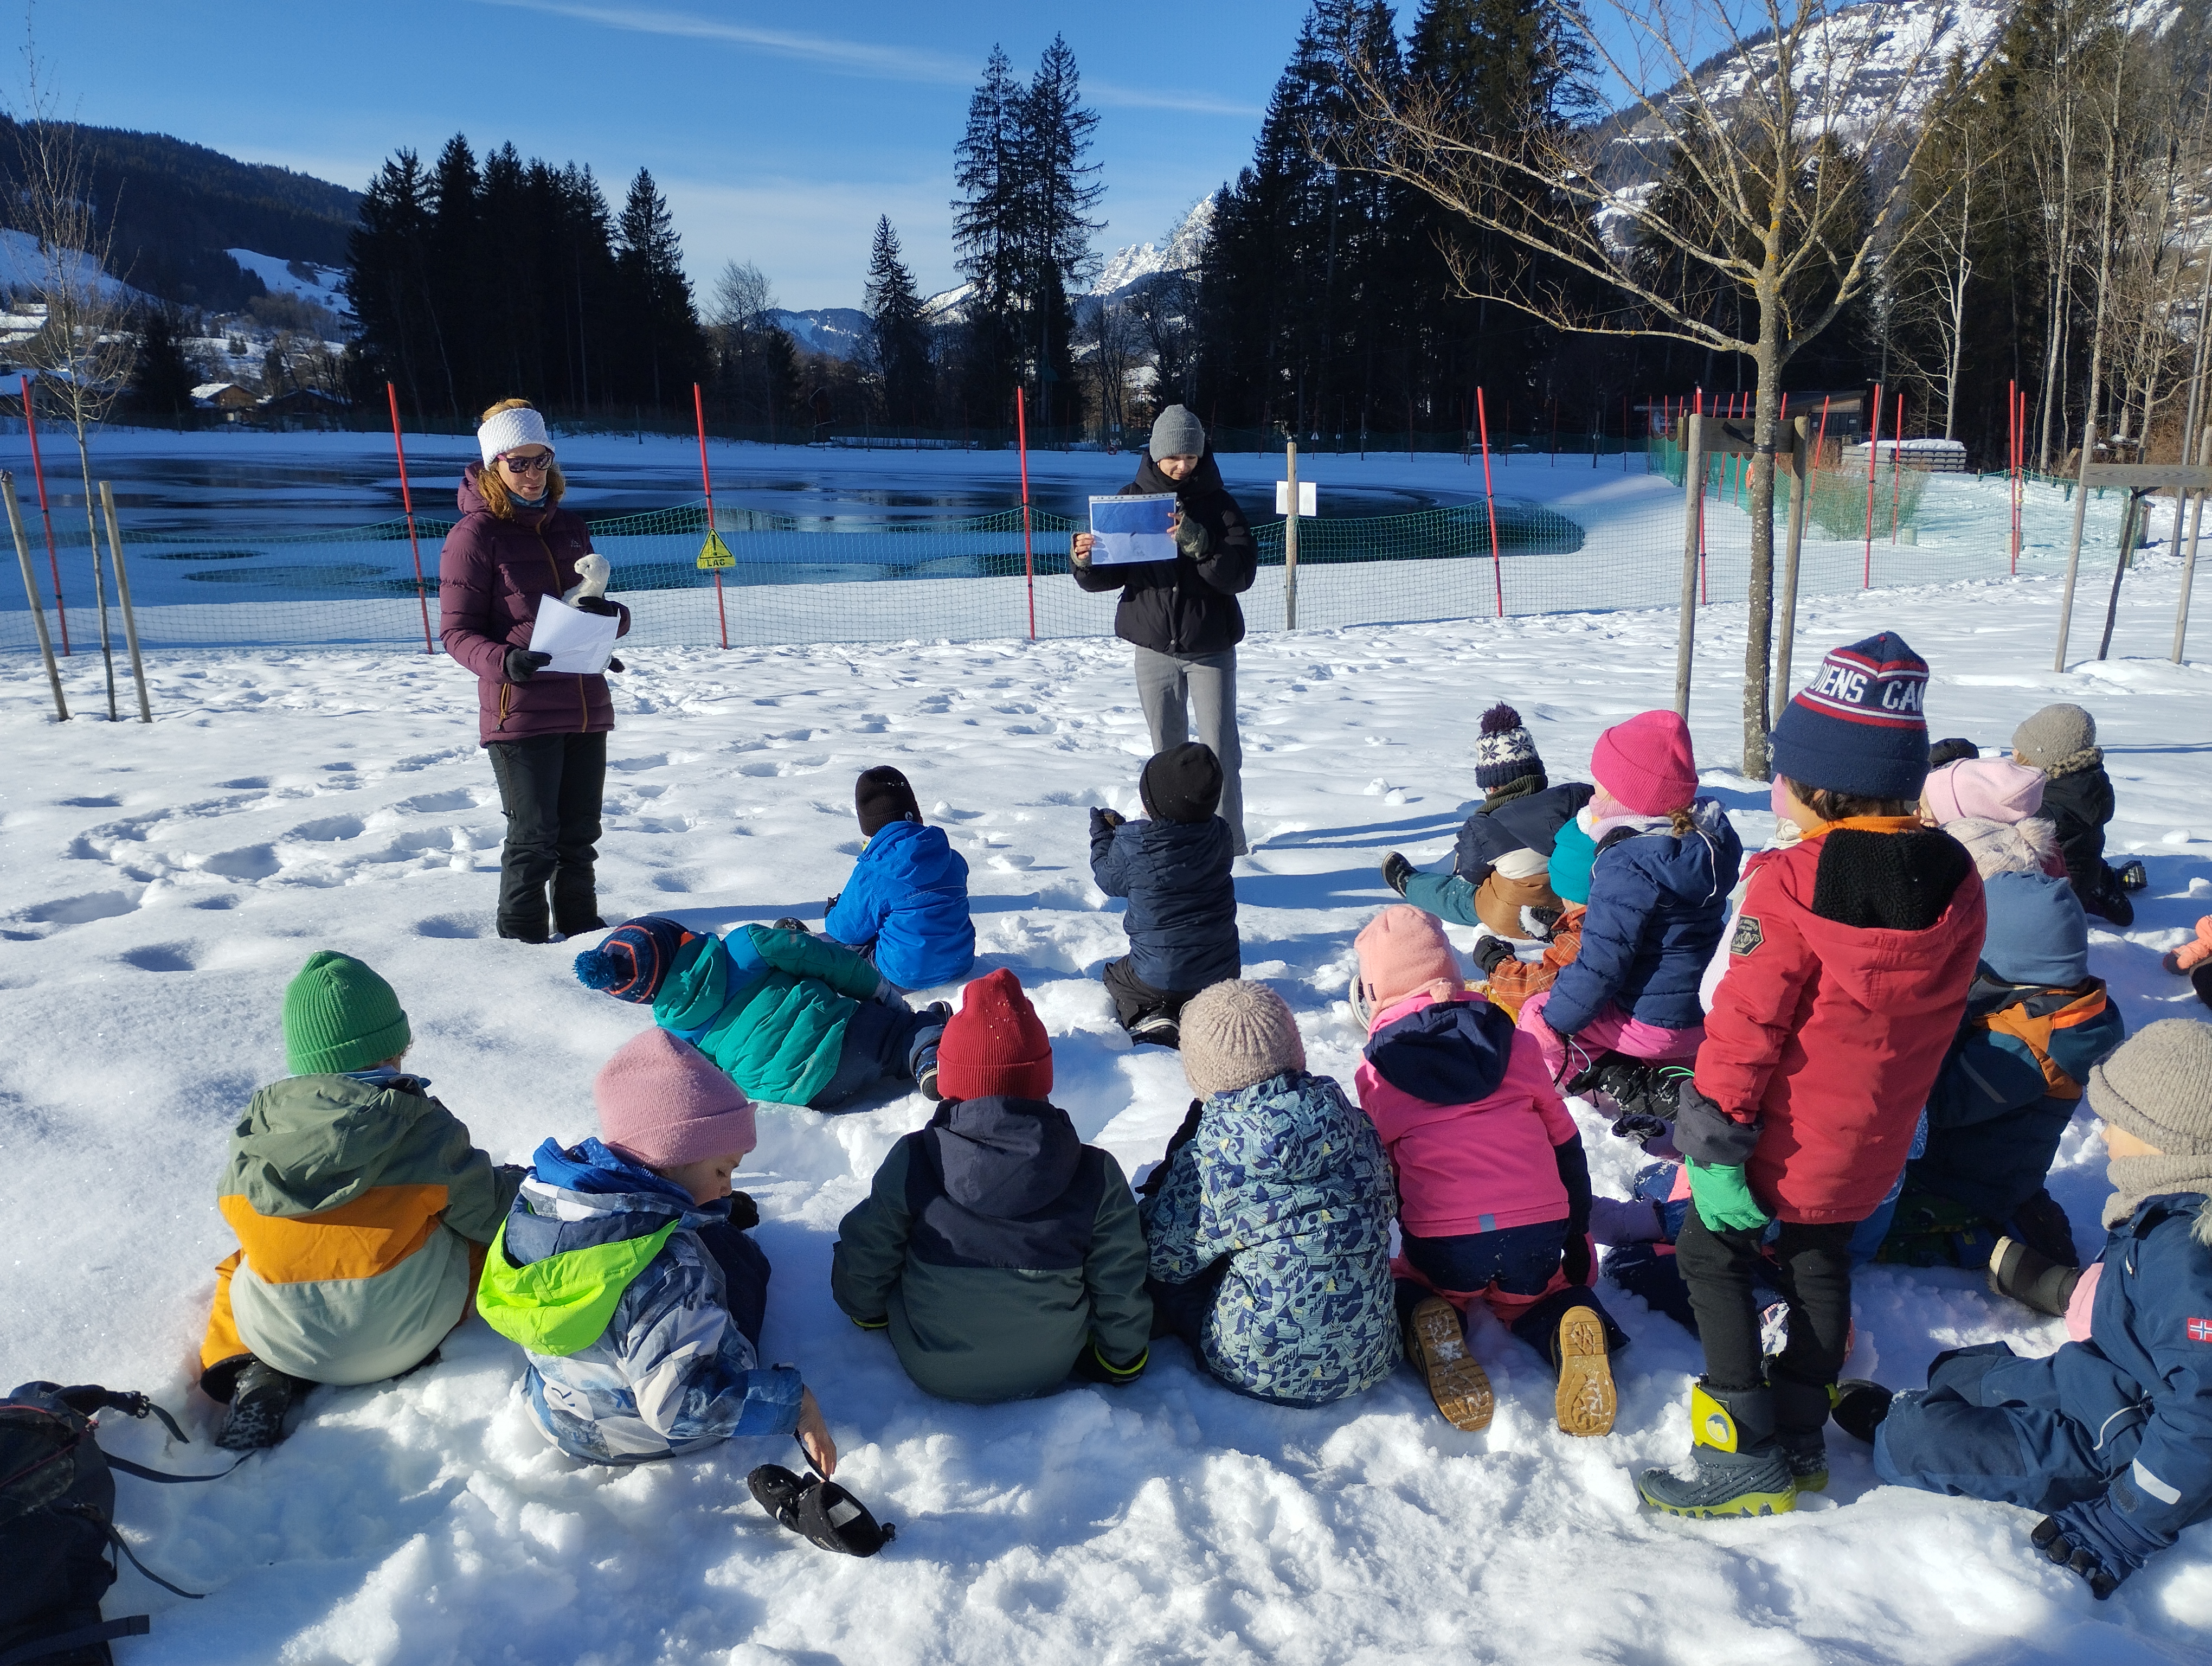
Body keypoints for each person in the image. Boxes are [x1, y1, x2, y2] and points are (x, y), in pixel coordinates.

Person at [1639, 633, 1985, 1519]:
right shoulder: (1958, 884)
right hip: (1869, 1148)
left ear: (1819, 784)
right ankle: (1801, 1429)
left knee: (1707, 1253)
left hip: (1776, 1139)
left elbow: (1746, 1030)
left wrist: (1712, 1147)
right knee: (1818, 1261)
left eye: (1785, 770)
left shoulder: (1791, 883)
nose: (1774, 786)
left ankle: (1742, 1449)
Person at [1861, 1021, 2212, 1601]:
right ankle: (1929, 1410)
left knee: (1910, 1441)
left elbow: (2202, 1415)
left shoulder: (2187, 1255)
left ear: (2164, 1139)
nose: (2101, 1135)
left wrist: (2123, 1525)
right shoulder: (2166, 1207)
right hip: (2106, 1379)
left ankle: (1900, 1427)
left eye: (2115, 1121)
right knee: (1958, 1370)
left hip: (2129, 1439)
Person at [198, 952, 521, 1450]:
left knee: (238, 1264)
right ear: (395, 1047)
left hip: (285, 1345)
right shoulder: (423, 1128)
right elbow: (490, 1215)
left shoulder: (256, 1134)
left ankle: (245, 1366)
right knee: (469, 1237)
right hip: (404, 1341)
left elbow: (238, 1213)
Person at [474, 1029, 837, 1470]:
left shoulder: (541, 1207)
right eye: (723, 1170)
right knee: (741, 1265)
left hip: (560, 1412)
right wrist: (792, 1403)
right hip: (639, 1435)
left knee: (710, 1237)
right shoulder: (672, 1270)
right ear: (676, 1153)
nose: (728, 1186)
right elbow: (678, 1407)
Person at [1351, 906, 1624, 1438]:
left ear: (1375, 991)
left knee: (1415, 1282)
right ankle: (1562, 1319)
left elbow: (1380, 1167)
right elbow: (1565, 1141)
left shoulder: (1376, 1072)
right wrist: (1576, 1228)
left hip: (1445, 1243)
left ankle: (1435, 1316)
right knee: (1541, 1292)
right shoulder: (1516, 1044)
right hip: (1536, 1230)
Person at [829, 970, 1154, 1402]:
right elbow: (1119, 1276)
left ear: (951, 1078)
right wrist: (1122, 1360)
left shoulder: (916, 1159)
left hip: (933, 1362)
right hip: (1051, 1363)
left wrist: (867, 1312)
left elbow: (868, 1248)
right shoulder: (1094, 1172)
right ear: (1040, 1078)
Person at [1883, 758, 2125, 1272]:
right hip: (1986, 1164)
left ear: (2005, 965)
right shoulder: (2044, 1008)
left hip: (1964, 1183)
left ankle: (1987, 1236)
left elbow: (1935, 1107)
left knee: (1873, 1228)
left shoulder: (2027, 1046)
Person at [1137, 980, 1400, 1407]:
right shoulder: (1353, 1123)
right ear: (1295, 1051)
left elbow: (1165, 1260)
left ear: (1200, 1075)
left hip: (1260, 1369)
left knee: (1181, 1282)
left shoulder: (1210, 1159)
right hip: (1372, 1353)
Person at [438, 399, 631, 943]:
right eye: (517, 463)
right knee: (533, 836)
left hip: (585, 703)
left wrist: (608, 622)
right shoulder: (474, 537)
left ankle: (583, 932)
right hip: (519, 709)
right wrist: (504, 661)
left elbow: (591, 606)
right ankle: (520, 947)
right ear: (495, 465)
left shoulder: (570, 527)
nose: (530, 474)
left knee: (579, 836)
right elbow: (456, 633)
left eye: (539, 460)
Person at [1515, 710, 1742, 1084]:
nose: (1593, 793)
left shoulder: (1626, 866)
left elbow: (1601, 967)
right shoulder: (1705, 845)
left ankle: (1589, 1087)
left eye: (1602, 784)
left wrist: (1555, 1020)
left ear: (1628, 795)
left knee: (1539, 1012)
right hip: (1703, 1015)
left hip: (1649, 1023)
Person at [1070, 405, 1258, 855]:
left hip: (1210, 646)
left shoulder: (1220, 505)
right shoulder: (1130, 499)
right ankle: (1174, 837)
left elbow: (1240, 576)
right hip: (1153, 646)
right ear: (1155, 454)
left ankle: (1226, 843)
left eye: (1190, 457)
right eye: (1173, 457)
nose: (1182, 465)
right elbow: (1104, 578)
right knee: (1165, 751)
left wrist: (1201, 544)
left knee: (1220, 749)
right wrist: (1085, 558)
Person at [573, 917, 947, 1111]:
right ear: (681, 936)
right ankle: (927, 1054)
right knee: (898, 1035)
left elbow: (709, 1077)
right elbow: (828, 961)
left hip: (802, 1091)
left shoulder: (674, 1028)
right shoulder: (744, 946)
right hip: (841, 1037)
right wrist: (878, 991)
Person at [1381, 702, 1593, 935]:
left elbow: (1472, 873)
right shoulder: (1578, 796)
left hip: (1518, 916)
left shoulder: (1483, 824)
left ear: (1491, 787)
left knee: (1460, 895)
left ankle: (1410, 883)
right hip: (1580, 908)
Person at [1090, 742, 1240, 1048]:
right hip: (1222, 972)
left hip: (1158, 976)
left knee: (1116, 976)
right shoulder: (1221, 835)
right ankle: (1199, 1006)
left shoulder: (1135, 845)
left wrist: (1104, 838)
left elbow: (1109, 880)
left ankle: (1148, 1016)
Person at [819, 766, 975, 992]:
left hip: (901, 974)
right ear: (916, 815)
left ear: (870, 830)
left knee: (837, 948)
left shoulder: (875, 871)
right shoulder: (952, 858)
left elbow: (846, 931)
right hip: (960, 962)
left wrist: (832, 913)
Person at [2011, 703, 2144, 927]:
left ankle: (2094, 893)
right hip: (2080, 874)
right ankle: (2099, 884)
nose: (2013, 753)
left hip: (2056, 895)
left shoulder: (2045, 803)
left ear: (2043, 755)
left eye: (2020, 750)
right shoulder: (2083, 783)